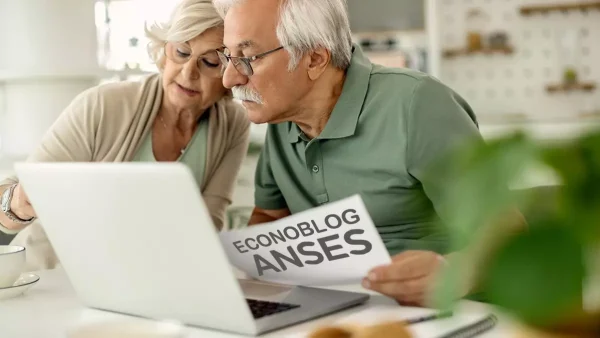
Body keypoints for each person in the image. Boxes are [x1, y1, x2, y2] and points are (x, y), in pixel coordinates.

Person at [212, 0, 526, 306]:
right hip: (340, 310)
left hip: (450, 313)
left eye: (248, 57)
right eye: (228, 56)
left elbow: (510, 237)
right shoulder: (281, 117)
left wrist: (452, 273)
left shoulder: (418, 105)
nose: (229, 78)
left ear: (315, 59)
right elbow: (269, 217)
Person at [0, 0, 250, 271]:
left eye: (210, 62)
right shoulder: (102, 104)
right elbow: (18, 192)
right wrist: (16, 205)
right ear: (164, 52)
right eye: (181, 51)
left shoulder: (232, 124)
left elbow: (207, 226)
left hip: (154, 280)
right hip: (58, 278)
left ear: (232, 71)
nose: (188, 73)